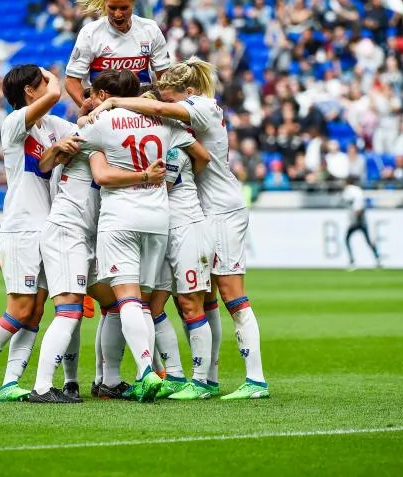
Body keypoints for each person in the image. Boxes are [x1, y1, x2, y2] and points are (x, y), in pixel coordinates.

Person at [89, 57, 269, 399]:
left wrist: (113, 102)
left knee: (230, 296)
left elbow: (172, 122)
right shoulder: (182, 116)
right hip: (194, 212)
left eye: (170, 100)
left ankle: (250, 379)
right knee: (199, 299)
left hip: (218, 211)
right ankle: (202, 378)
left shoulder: (202, 106)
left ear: (188, 92)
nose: (164, 108)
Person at [33, 71, 167, 403]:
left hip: (93, 233)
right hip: (69, 229)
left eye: (93, 94)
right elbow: (48, 164)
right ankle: (45, 385)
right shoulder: (92, 129)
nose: (87, 100)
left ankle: (108, 381)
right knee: (70, 310)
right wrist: (55, 149)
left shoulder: (106, 128)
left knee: (117, 304)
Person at [0, 65, 82, 403]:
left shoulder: (46, 129)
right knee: (20, 309)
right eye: (42, 82)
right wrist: (56, 77)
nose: (48, 85)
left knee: (36, 310)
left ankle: (11, 382)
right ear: (30, 90)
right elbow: (55, 93)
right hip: (21, 228)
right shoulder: (14, 124)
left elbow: (81, 132)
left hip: (44, 229)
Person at [83, 69, 210, 402]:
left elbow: (75, 140)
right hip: (158, 220)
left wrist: (93, 114)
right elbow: (198, 151)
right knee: (145, 303)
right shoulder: (166, 123)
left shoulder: (105, 121)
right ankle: (166, 373)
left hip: (121, 216)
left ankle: (144, 371)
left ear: (106, 93)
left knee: (125, 299)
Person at [149, 141, 215, 401]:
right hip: (163, 231)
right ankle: (175, 375)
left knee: (190, 305)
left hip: (187, 228)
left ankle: (201, 381)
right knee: (153, 306)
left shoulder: (173, 148)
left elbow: (160, 189)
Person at [65, 0, 171, 111]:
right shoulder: (90, 33)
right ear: (104, 3)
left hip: (141, 106)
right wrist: (87, 107)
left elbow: (164, 76)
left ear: (133, 2)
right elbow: (71, 80)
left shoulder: (150, 29)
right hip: (104, 108)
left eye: (124, 8)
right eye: (112, 8)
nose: (118, 14)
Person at [343, 178, 382, 270]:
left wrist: (356, 216)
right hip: (361, 219)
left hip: (357, 219)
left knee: (347, 239)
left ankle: (352, 261)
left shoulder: (350, 190)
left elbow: (358, 204)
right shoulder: (357, 190)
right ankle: (378, 259)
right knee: (368, 240)